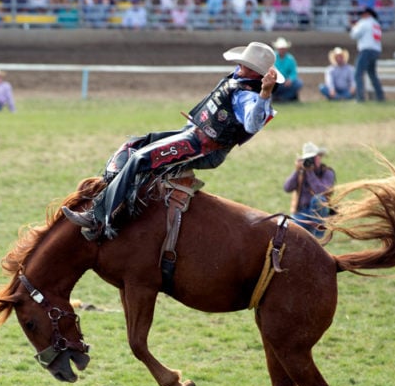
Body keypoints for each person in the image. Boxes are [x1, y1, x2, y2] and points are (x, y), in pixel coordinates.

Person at [62, 42, 283, 241]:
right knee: (134, 144)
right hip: (194, 135)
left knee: (140, 158)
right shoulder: (239, 78)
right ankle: (110, 188)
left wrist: (264, 94)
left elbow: (252, 125)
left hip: (205, 148)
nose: (239, 64)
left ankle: (98, 217)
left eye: (244, 63)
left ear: (255, 72)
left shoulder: (251, 96)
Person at [284, 142, 336, 237]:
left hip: (319, 214)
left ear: (318, 158)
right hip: (301, 213)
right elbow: (287, 188)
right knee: (292, 236)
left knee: (318, 199)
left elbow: (321, 191)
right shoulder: (301, 172)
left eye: (312, 158)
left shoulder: (327, 172)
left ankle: (318, 237)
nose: (310, 161)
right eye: (307, 159)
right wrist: (297, 171)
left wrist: (310, 173)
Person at [351, 7, 385, 102]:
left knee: (358, 73)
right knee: (372, 74)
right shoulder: (376, 23)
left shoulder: (364, 23)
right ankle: (380, 96)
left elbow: (354, 35)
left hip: (366, 49)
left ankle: (360, 97)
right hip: (375, 50)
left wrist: (354, 27)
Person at [272, 37, 302, 102]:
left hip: (286, 82)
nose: (282, 50)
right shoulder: (272, 57)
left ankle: (282, 97)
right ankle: (281, 97)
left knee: (298, 83)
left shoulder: (290, 59)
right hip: (275, 81)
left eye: (283, 49)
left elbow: (293, 73)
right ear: (277, 49)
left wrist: (290, 80)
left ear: (286, 49)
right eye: (280, 49)